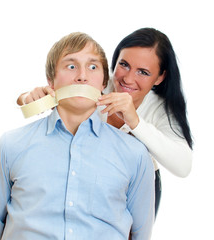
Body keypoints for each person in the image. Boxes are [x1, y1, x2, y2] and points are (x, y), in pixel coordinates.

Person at [0, 32, 155, 240]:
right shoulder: (10, 146)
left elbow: (140, 234)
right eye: (71, 66)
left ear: (103, 83)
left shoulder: (135, 155)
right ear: (51, 81)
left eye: (92, 67)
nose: (82, 76)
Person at [17, 28, 193, 216]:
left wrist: (134, 121)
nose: (128, 78)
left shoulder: (160, 108)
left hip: (137, 186)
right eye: (124, 64)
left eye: (143, 72)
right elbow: (47, 94)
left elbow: (183, 167)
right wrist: (29, 97)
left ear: (160, 77)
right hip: (90, 177)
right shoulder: (99, 84)